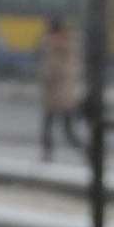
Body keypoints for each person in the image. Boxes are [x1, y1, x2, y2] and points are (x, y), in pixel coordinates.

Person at [38, 16, 84, 161]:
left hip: (56, 94)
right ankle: (84, 151)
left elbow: (50, 71)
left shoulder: (55, 47)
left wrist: (45, 78)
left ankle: (48, 153)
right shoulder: (69, 45)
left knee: (54, 126)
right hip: (66, 94)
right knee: (65, 129)